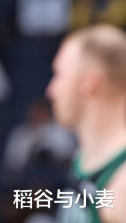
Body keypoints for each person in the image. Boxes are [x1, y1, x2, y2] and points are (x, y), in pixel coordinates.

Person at [45, 24, 126, 223]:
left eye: (59, 75)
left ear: (90, 82)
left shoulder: (121, 186)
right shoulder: (83, 160)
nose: (51, 91)